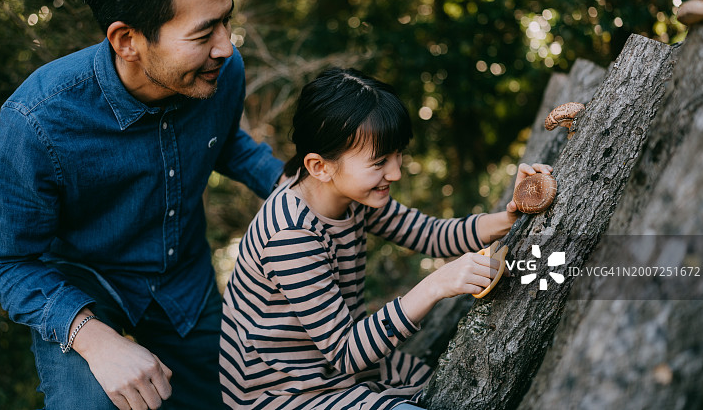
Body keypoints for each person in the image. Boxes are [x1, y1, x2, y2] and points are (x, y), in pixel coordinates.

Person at [0, 0, 284, 410]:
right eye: (204, 32)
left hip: (185, 285)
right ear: (127, 40)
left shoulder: (220, 72)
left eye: (227, 19)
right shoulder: (37, 120)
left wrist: (306, 188)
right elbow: (7, 262)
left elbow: (225, 143)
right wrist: (93, 337)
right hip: (82, 292)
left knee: (236, 401)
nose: (227, 46)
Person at [219, 67, 552, 409]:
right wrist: (436, 285)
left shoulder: (351, 194)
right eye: (379, 162)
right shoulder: (291, 234)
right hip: (283, 391)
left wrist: (508, 216)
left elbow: (432, 235)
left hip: (334, 368)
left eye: (397, 155)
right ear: (320, 166)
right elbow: (347, 351)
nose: (394, 172)